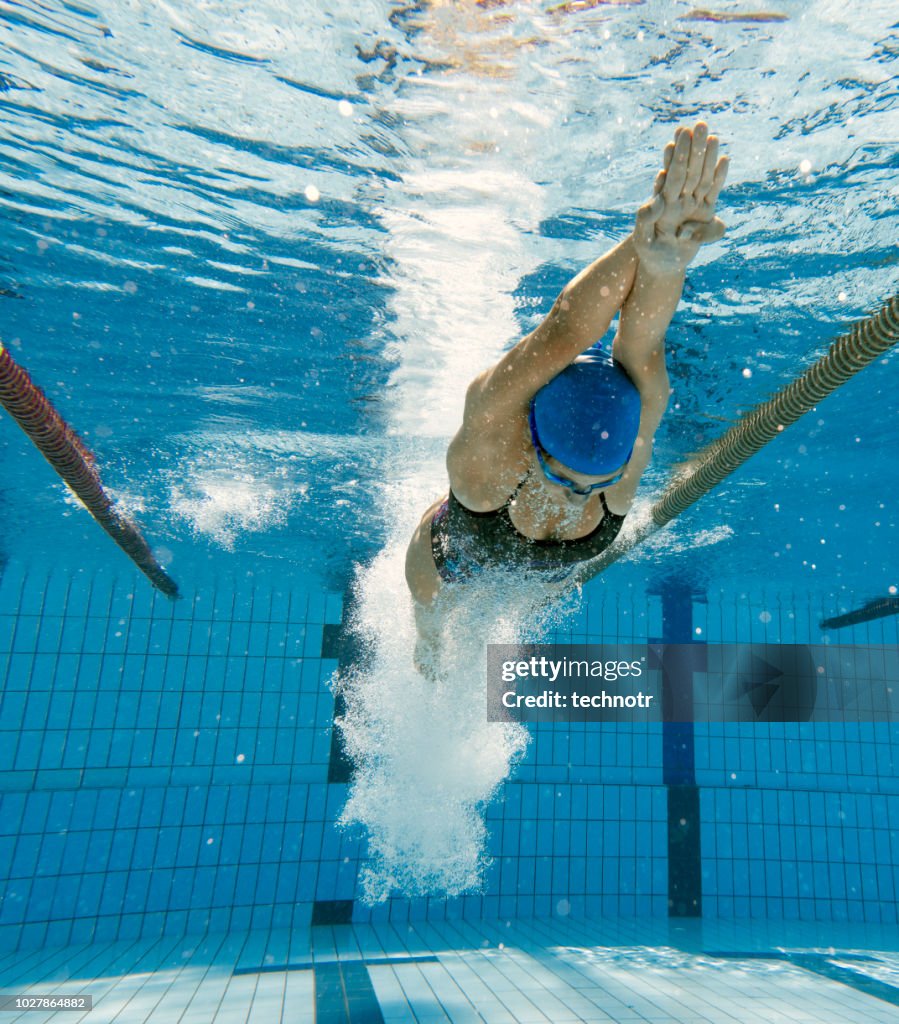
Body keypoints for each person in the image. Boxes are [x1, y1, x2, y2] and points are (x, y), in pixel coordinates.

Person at [404, 122, 728, 658]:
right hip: (454, 563)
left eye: (596, 482)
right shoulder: (488, 460)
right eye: (561, 475)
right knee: (433, 633)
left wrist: (667, 257)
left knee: (527, 600)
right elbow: (566, 331)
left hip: (537, 574)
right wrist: (637, 244)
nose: (578, 496)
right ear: (533, 439)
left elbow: (642, 345)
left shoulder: (619, 471)